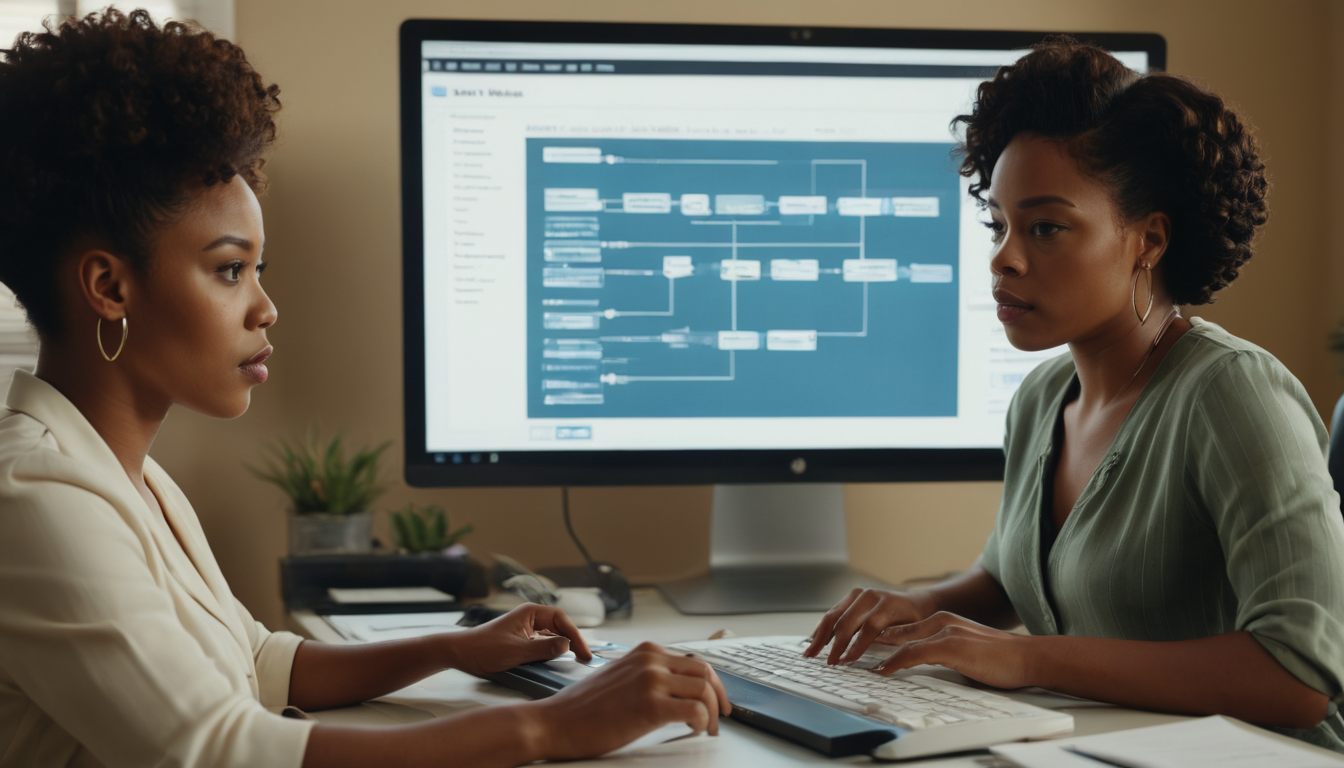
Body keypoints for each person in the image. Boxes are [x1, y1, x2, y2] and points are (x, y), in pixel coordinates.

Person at [0, 10, 728, 768]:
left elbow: (257, 664)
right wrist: (552, 728)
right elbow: (219, 749)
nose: (264, 307)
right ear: (109, 286)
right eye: (228, 269)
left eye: (260, 270)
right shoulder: (35, 496)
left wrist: (455, 647)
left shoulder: (129, 477)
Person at [806, 38, 1344, 751]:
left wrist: (1026, 659)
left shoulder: (1231, 394)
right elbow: (1014, 575)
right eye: (999, 224)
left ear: (1147, 240)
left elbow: (1299, 672)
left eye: (1046, 227)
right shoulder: (1041, 398)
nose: (1005, 256)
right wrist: (922, 609)